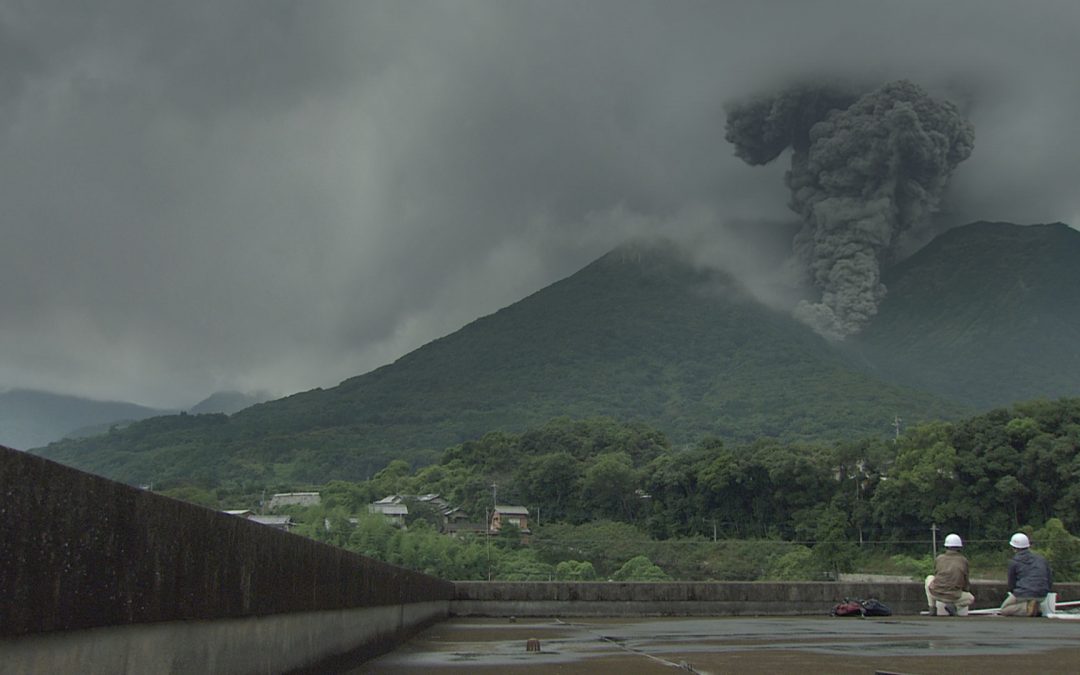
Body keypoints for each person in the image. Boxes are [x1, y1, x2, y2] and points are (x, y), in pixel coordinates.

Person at [998, 532, 1053, 616]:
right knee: (1032, 600)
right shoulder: (1041, 559)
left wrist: (1015, 592)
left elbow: (1011, 583)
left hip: (1023, 593)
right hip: (1042, 594)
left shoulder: (1014, 562)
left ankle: (1026, 608)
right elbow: (1049, 578)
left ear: (1014, 547)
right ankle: (1036, 608)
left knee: (1004, 609)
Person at [925, 533, 975, 616]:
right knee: (970, 598)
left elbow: (936, 574)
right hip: (953, 596)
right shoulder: (963, 560)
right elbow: (965, 581)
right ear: (959, 547)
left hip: (935, 592)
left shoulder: (939, 558)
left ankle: (932, 607)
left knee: (929, 578)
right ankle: (954, 607)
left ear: (946, 546)